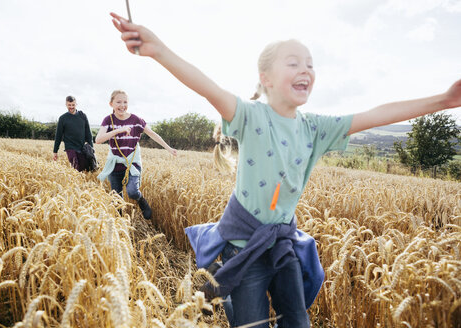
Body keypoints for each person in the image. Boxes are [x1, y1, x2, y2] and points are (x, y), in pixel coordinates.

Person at [109, 12, 461, 328]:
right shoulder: (249, 115)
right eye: (293, 63)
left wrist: (444, 100)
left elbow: (378, 113)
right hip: (244, 250)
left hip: (283, 246)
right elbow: (207, 87)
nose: (305, 69)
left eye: (310, 63)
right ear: (266, 77)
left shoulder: (316, 128)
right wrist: (158, 50)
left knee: (297, 321)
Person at [96, 90, 177, 220]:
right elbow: (98, 139)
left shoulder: (136, 120)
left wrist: (168, 148)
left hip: (132, 162)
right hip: (115, 164)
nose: (122, 105)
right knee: (116, 198)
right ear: (111, 104)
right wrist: (118, 130)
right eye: (118, 102)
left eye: (125, 102)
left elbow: (152, 134)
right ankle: (121, 224)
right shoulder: (108, 120)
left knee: (132, 191)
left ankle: (141, 201)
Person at [53, 95, 94, 172]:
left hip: (82, 147)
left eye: (73, 105)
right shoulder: (63, 118)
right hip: (70, 148)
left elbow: (88, 133)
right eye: (69, 105)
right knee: (76, 168)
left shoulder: (83, 116)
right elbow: (58, 136)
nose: (71, 107)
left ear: (76, 104)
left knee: (84, 169)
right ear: (66, 104)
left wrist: (91, 148)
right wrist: (55, 151)